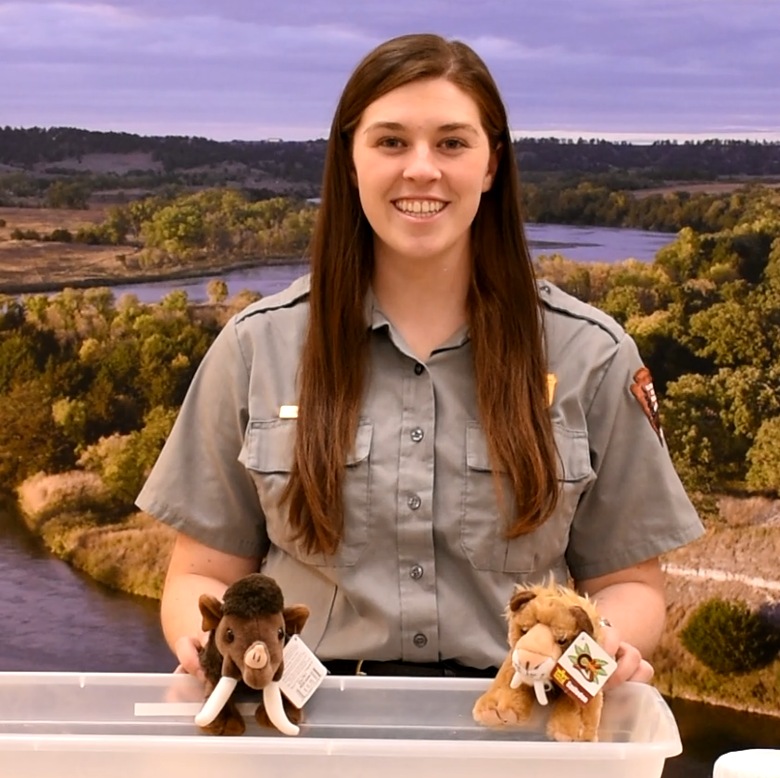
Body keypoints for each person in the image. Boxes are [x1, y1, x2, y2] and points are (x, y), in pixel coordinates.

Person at [136, 33, 704, 689]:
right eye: (391, 142)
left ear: (492, 164)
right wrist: (219, 648)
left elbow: (627, 584)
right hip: (303, 733)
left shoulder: (591, 356)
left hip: (519, 732)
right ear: (350, 161)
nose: (422, 168)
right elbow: (204, 573)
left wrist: (589, 661)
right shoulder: (255, 348)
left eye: (453, 143)